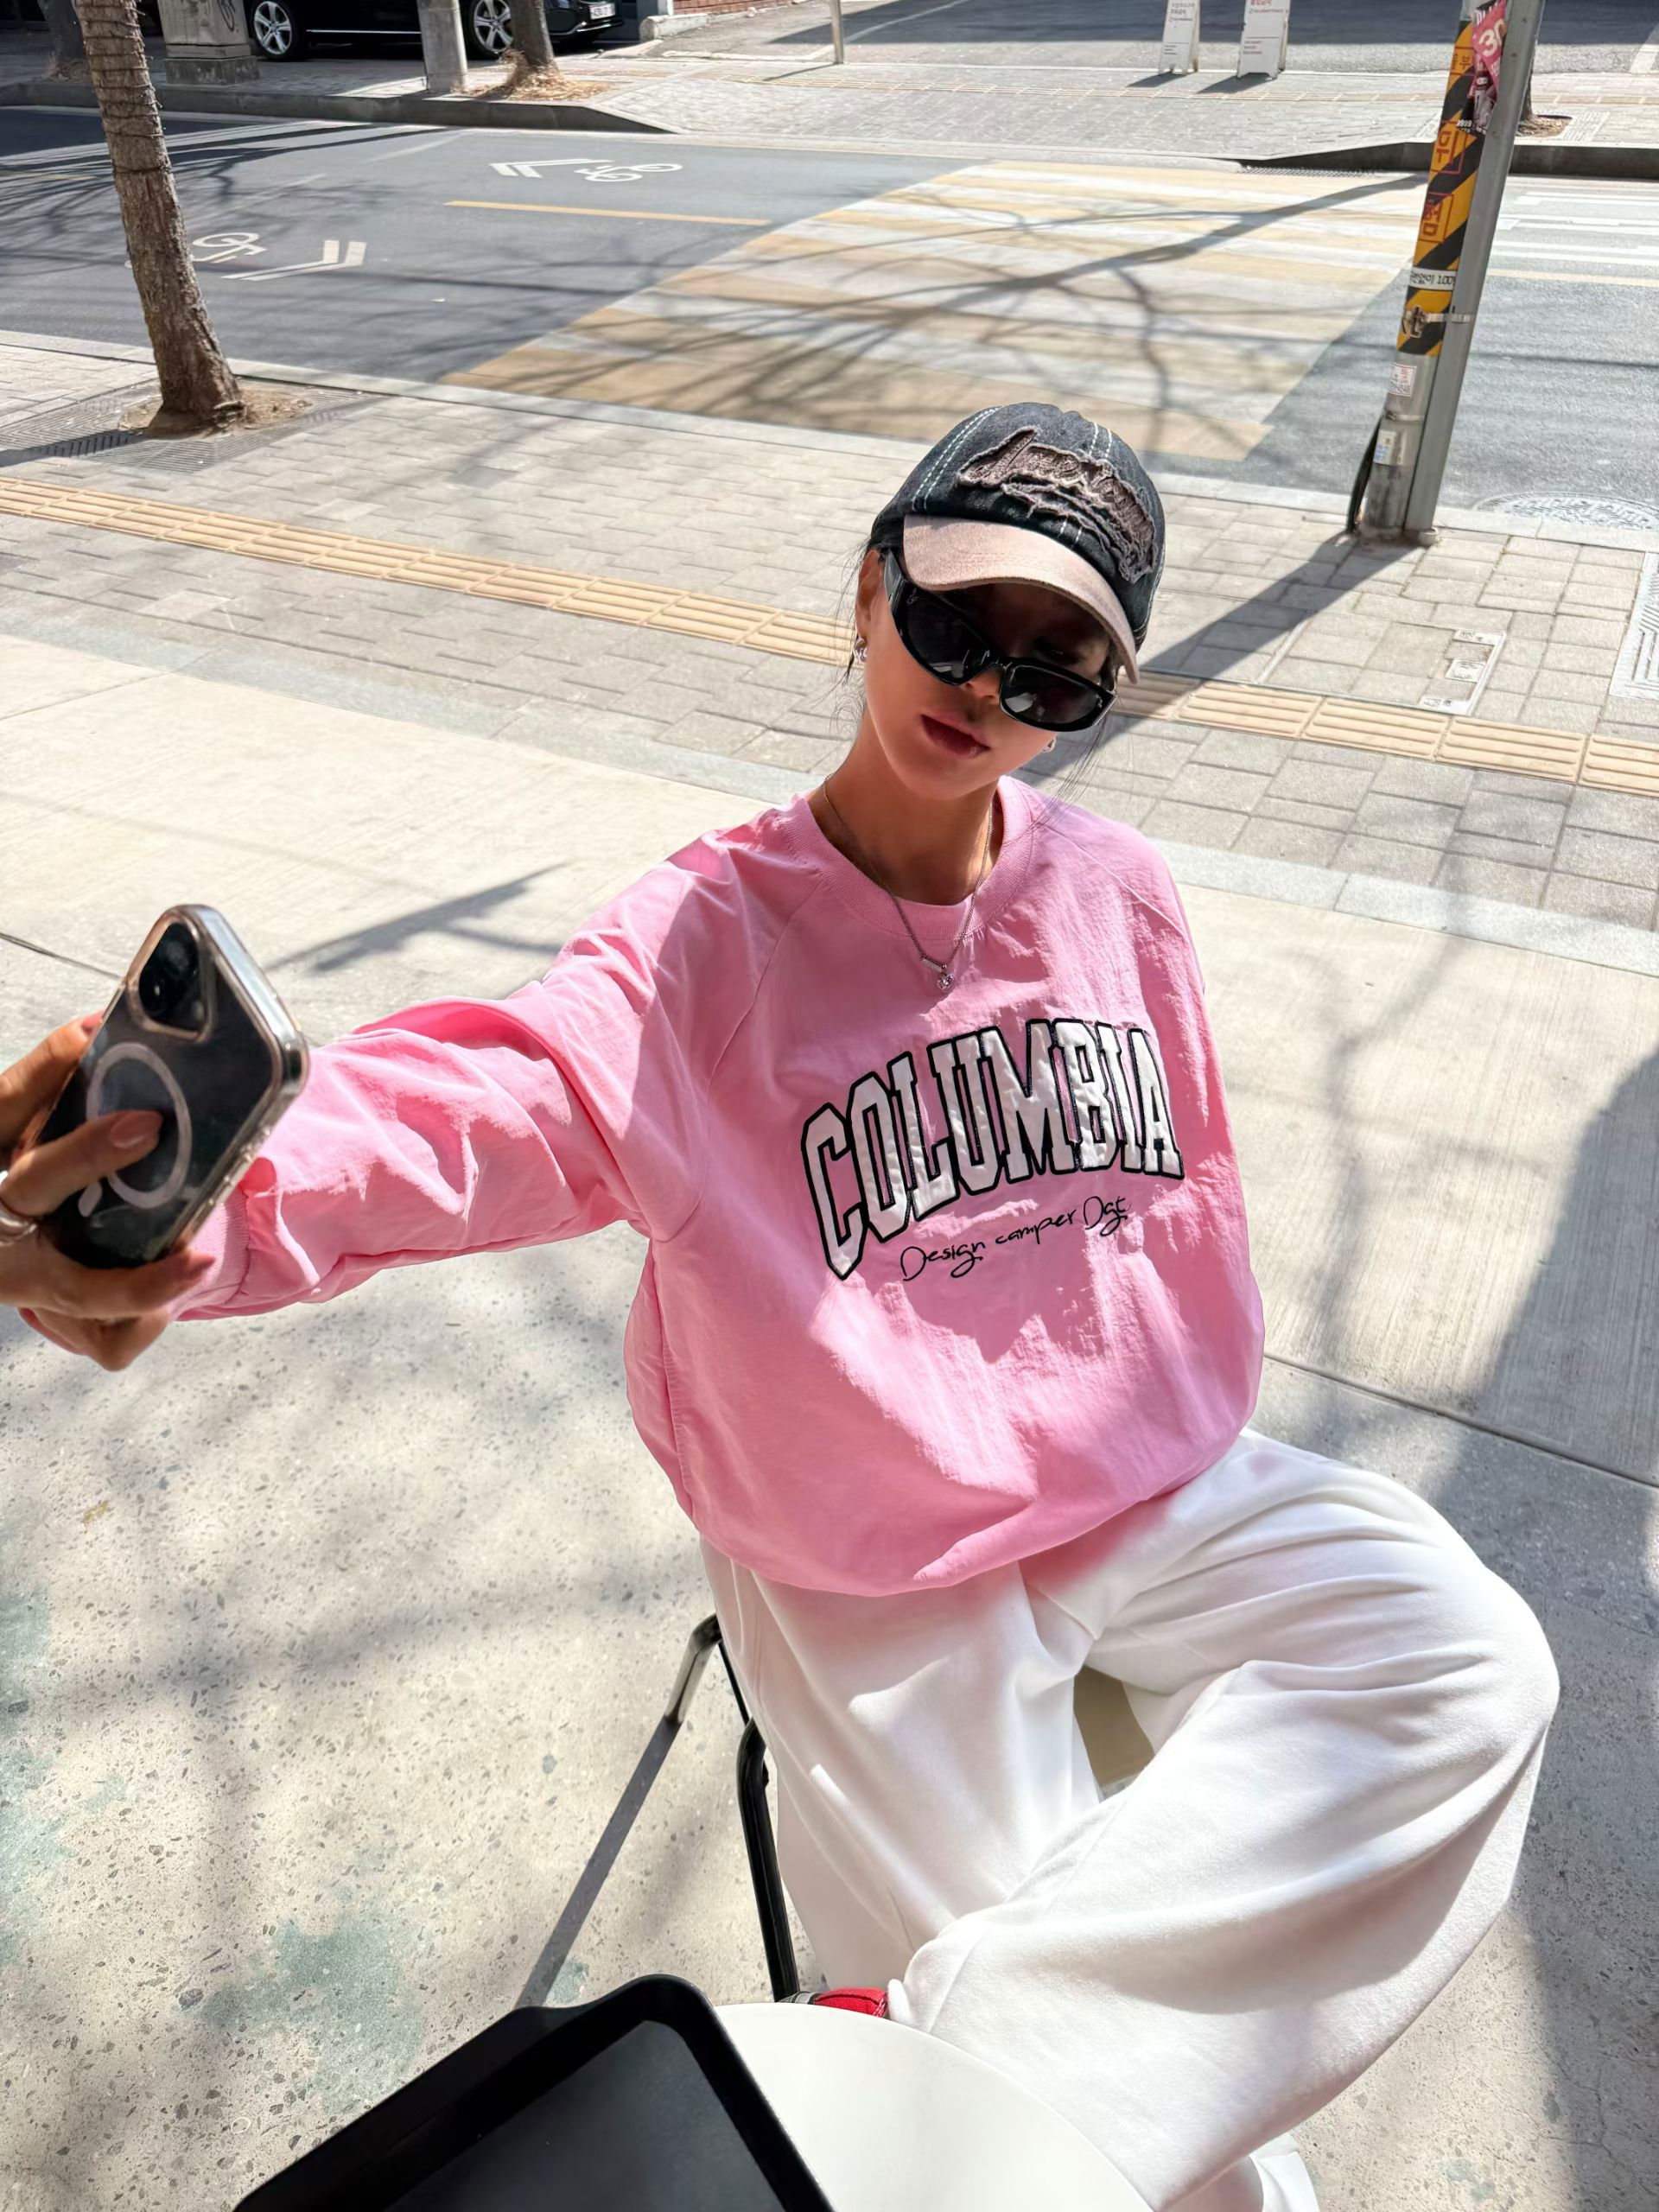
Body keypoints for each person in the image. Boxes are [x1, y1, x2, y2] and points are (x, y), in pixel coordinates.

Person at [0, 404, 1559, 2212]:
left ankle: (922, 2057)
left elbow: (1169, 1199)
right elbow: (490, 1100)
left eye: (1055, 668)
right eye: (956, 617)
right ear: (871, 587)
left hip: (1155, 1476)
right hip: (865, 1551)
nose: (985, 686)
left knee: (1472, 1664)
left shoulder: (1121, 894)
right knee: (1116, 2122)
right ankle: (1002, 2120)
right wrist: (199, 1218)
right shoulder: (704, 943)